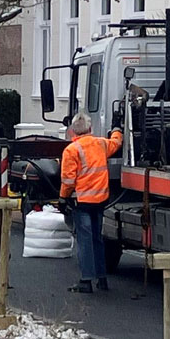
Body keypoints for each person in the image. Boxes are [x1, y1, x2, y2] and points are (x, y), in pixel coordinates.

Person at [59, 111, 123, 293]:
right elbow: (116, 142)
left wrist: (63, 198)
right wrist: (117, 127)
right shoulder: (101, 143)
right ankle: (102, 279)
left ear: (73, 131)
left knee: (85, 240)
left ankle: (86, 280)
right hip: (101, 200)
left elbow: (68, 181)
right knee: (97, 239)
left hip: (83, 202)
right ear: (90, 128)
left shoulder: (71, 150)